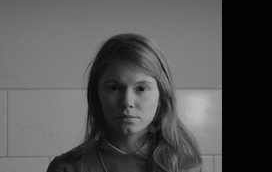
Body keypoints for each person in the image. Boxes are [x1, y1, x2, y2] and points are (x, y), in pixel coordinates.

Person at [47, 33, 208, 172]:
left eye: (142, 88)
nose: (127, 102)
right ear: (97, 95)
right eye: (114, 88)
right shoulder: (67, 168)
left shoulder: (186, 165)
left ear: (162, 96)